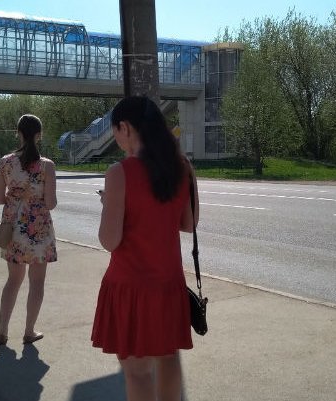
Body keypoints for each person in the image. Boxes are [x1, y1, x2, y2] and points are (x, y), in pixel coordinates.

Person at [91, 96, 199, 401]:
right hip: (169, 284)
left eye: (115, 131)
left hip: (131, 286)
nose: (116, 139)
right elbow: (189, 223)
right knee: (168, 358)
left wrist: (110, 203)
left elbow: (109, 241)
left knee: (138, 372)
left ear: (125, 127)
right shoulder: (181, 167)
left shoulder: (119, 172)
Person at [0, 114, 58, 346]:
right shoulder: (47, 166)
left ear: (18, 133)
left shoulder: (5, 163)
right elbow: (51, 203)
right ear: (39, 135)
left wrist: (15, 198)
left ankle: (2, 331)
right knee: (36, 282)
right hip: (39, 230)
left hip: (13, 229)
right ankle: (29, 332)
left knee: (13, 281)